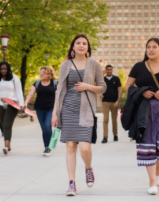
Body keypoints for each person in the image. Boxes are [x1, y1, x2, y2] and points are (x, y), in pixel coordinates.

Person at [51, 34, 106, 196]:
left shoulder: (94, 64)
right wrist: (55, 113)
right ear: (73, 47)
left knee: (85, 147)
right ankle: (71, 183)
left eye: (84, 43)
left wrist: (88, 86)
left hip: (86, 110)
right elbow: (60, 90)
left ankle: (88, 168)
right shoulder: (65, 65)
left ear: (88, 47)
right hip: (67, 109)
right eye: (78, 43)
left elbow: (103, 87)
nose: (81, 45)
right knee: (70, 147)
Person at [125, 38, 159, 195]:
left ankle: (158, 171)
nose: (151, 49)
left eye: (154, 47)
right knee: (147, 144)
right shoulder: (139, 67)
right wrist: (142, 91)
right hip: (144, 109)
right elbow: (128, 86)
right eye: (148, 47)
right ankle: (152, 181)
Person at [0, 62, 24, 154]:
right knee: (3, 124)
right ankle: (8, 145)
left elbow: (19, 92)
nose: (3, 70)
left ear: (8, 69)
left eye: (5, 69)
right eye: (1, 69)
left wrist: (21, 105)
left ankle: (6, 146)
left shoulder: (14, 78)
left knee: (7, 124)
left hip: (12, 104)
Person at [24, 66, 58, 156]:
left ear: (49, 74)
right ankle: (46, 147)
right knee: (44, 129)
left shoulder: (55, 83)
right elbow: (31, 94)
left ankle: (49, 147)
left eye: (44, 72)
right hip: (39, 109)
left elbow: (58, 98)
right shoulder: (37, 83)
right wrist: (25, 103)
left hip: (50, 109)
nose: (41, 74)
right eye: (41, 72)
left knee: (47, 126)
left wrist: (56, 111)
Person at [99, 64, 122, 143]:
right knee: (105, 119)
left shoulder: (116, 78)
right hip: (105, 101)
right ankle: (105, 137)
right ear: (105, 70)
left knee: (114, 120)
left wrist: (118, 101)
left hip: (114, 102)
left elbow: (120, 90)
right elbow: (99, 88)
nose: (109, 71)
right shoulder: (102, 79)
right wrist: (99, 93)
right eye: (107, 69)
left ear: (112, 70)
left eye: (110, 69)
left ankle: (115, 135)